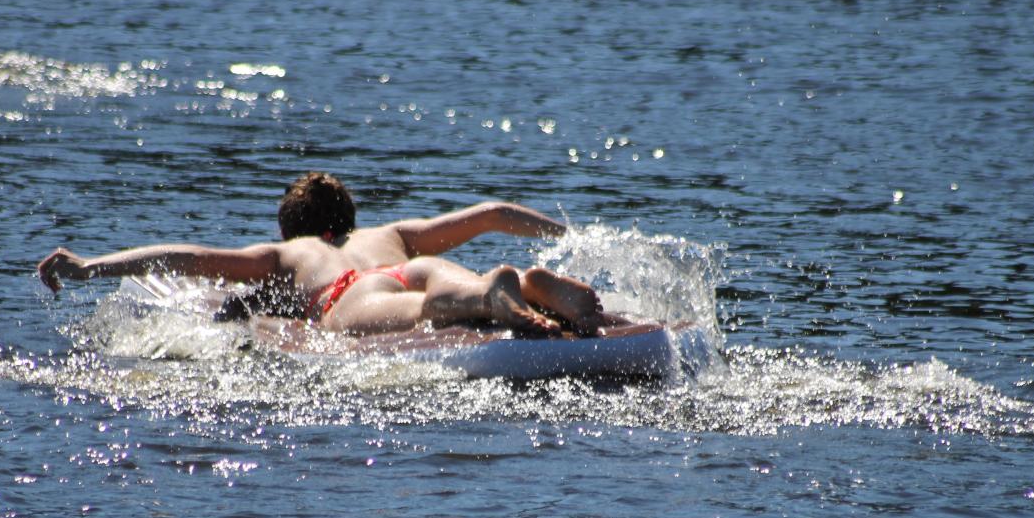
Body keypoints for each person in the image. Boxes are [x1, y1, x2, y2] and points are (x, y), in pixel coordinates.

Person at [38, 171, 615, 336]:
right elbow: (491, 212)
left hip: (352, 295)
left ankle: (492, 296)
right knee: (442, 281)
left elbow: (185, 256)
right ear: (350, 221)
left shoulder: (288, 256)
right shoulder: (395, 232)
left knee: (423, 311)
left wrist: (93, 265)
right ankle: (515, 284)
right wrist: (569, 235)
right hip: (409, 265)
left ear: (293, 231)